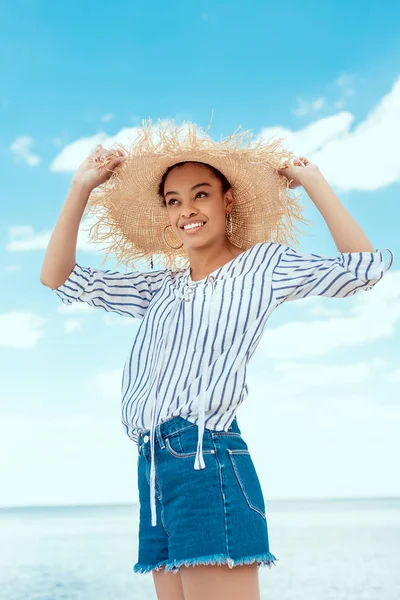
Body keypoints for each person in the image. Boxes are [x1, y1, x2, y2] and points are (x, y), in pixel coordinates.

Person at [40, 119, 394, 600]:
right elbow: (59, 278)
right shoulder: (159, 287)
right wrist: (81, 187)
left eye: (201, 194)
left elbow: (364, 269)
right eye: (174, 200)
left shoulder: (261, 266)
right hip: (152, 465)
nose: (187, 210)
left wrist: (312, 179)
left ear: (227, 200)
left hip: (207, 457)